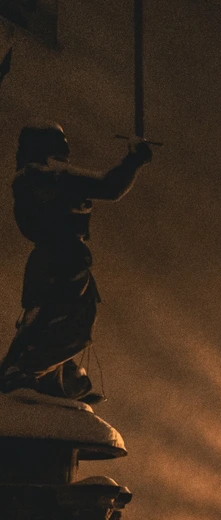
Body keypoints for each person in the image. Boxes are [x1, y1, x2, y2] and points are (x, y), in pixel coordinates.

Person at [0, 125, 152, 401]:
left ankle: (50, 379)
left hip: (54, 260)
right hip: (61, 260)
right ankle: (26, 372)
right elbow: (109, 186)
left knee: (49, 320)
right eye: (61, 144)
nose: (67, 152)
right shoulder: (51, 175)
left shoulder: (32, 177)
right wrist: (133, 159)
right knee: (70, 323)